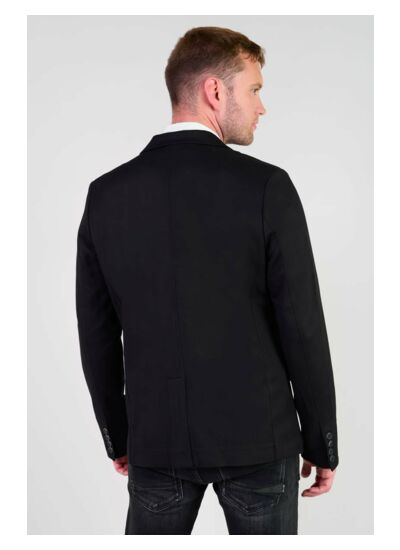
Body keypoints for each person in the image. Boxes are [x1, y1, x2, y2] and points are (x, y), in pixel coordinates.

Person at [75, 26, 339, 535]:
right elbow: (302, 325)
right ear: (215, 90)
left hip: (157, 442)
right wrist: (321, 440)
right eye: (254, 89)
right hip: (260, 443)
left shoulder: (105, 195)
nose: (262, 107)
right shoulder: (266, 186)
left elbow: (97, 333)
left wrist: (118, 434)